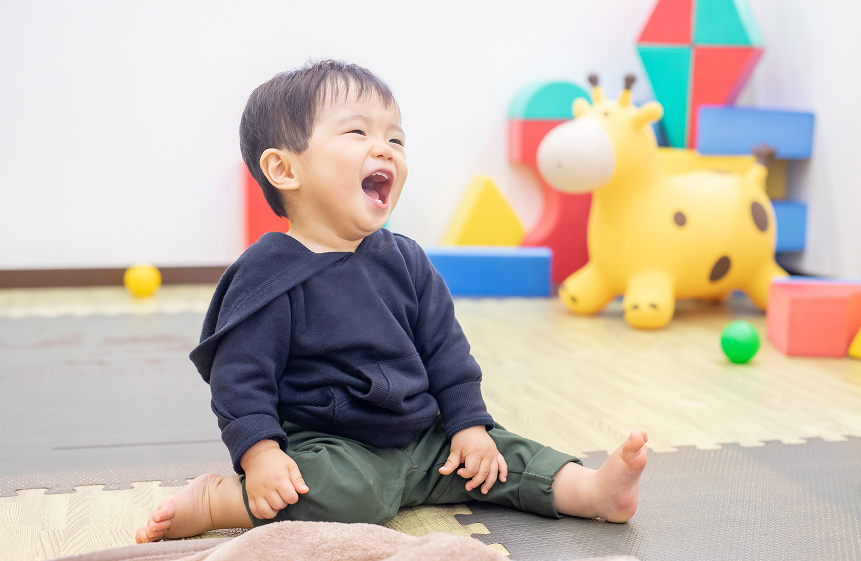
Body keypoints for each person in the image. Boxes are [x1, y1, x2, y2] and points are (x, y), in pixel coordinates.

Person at [135, 60, 648, 543]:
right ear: (285, 170)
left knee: (504, 455)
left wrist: (468, 425)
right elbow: (240, 379)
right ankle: (221, 500)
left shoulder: (405, 260)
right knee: (335, 494)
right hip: (333, 445)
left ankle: (592, 491)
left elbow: (447, 351)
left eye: (395, 137)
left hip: (426, 440)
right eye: (358, 132)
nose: (385, 148)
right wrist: (261, 454)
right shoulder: (269, 274)